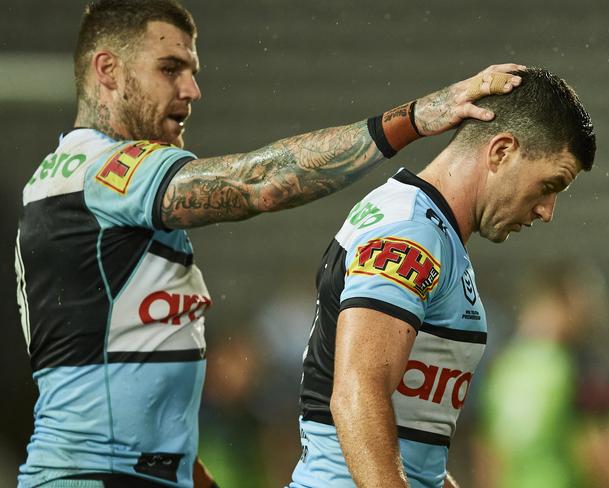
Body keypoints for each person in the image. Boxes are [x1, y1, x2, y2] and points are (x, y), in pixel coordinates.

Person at [13, 0, 523, 486]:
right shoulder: (105, 172)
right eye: (170, 68)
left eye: (192, 70)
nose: (192, 89)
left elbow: (112, 376)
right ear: (107, 71)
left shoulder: (78, 190)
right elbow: (259, 181)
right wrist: (412, 120)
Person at [291, 67, 596, 488]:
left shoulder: (433, 233)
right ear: (501, 151)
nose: (547, 210)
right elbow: (357, 392)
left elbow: (416, 459)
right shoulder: (409, 233)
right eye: (550, 184)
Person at [473, 261, 607, 488]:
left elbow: (487, 451)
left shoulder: (502, 365)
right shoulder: (569, 364)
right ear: (561, 303)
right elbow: (590, 448)